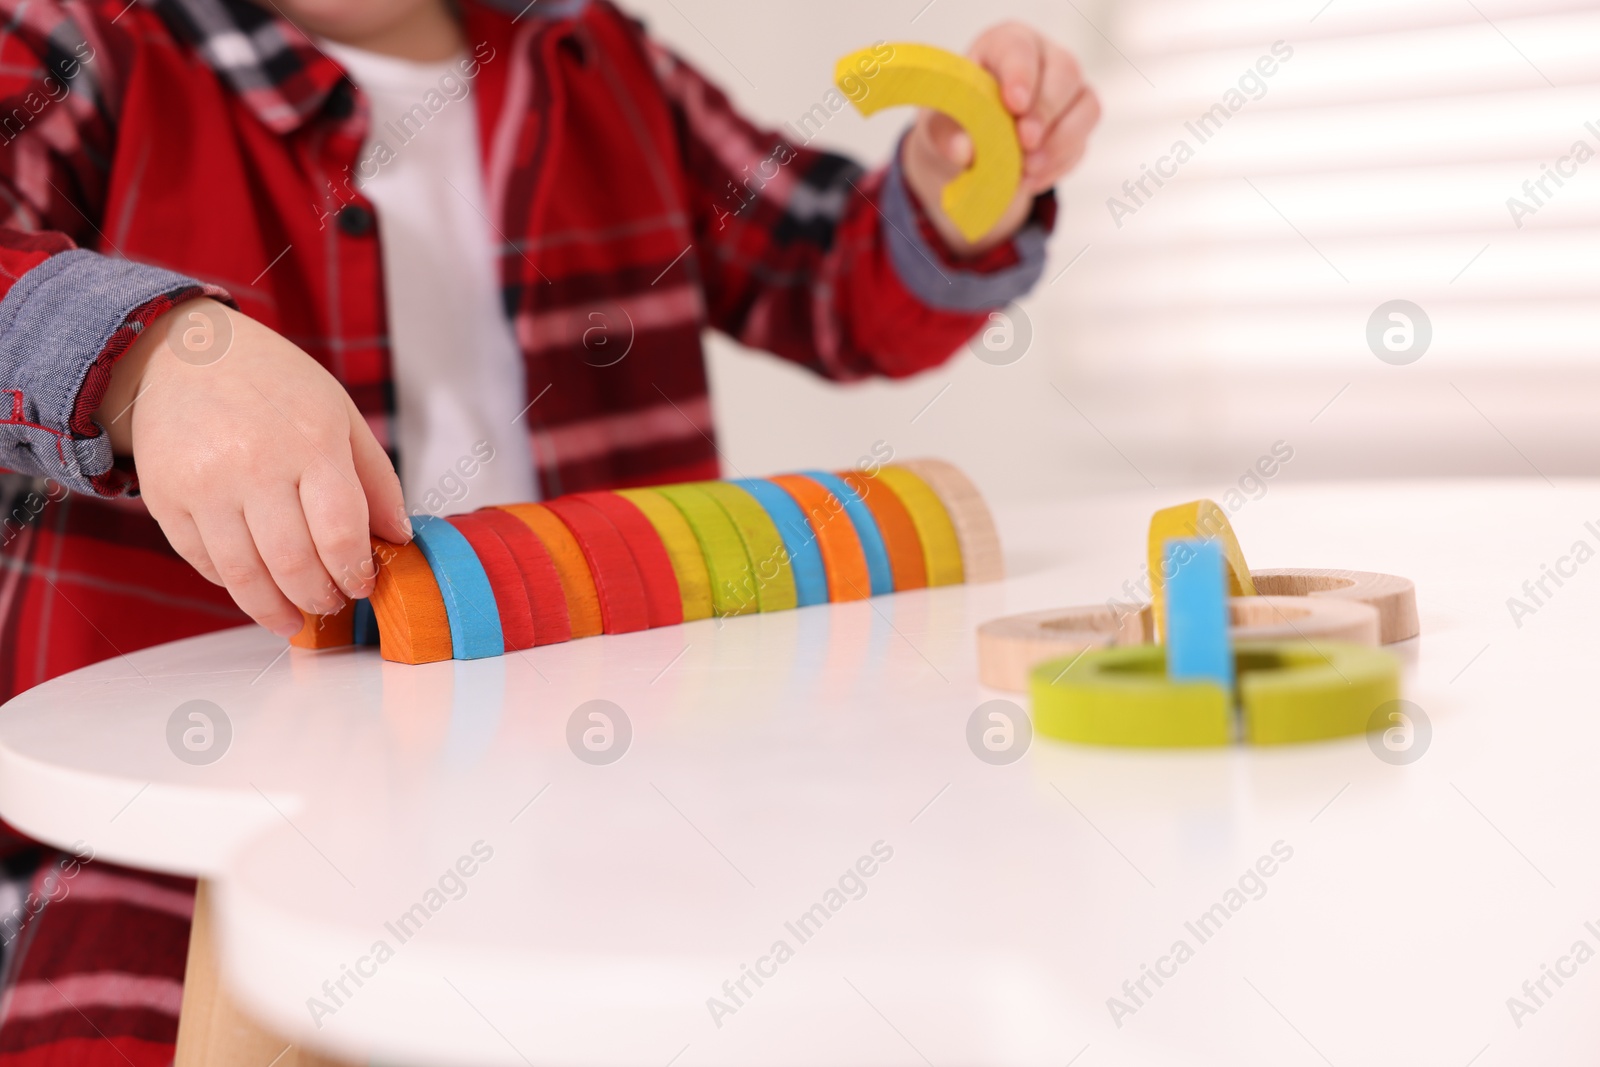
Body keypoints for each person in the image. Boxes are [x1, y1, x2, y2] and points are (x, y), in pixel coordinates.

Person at [0, 0, 1098, 1059]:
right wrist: (146, 361)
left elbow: (827, 281)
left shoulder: (592, 53)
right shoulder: (85, 39)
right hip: (187, 820)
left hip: (612, 773)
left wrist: (950, 194)